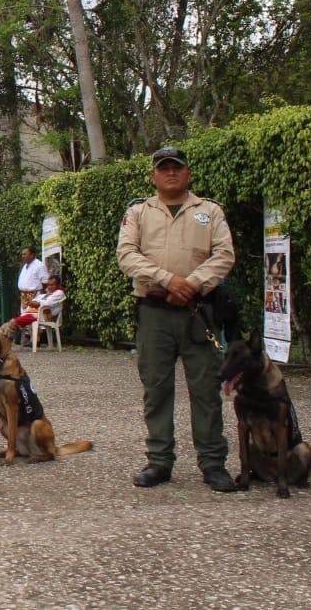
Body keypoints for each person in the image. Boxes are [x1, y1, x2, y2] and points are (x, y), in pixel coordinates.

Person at [117, 146, 237, 493]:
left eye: (177, 168)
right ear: (154, 175)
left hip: (198, 312)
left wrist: (193, 283)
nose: (171, 173)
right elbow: (127, 256)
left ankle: (213, 463)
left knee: (206, 391)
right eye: (164, 168)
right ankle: (159, 461)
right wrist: (169, 280)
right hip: (154, 311)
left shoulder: (209, 211)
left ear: (188, 173)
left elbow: (224, 254)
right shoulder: (139, 213)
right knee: (156, 390)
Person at [12, 274, 65, 346]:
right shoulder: (47, 294)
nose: (49, 287)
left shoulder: (59, 293)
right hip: (39, 315)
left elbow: (46, 303)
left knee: (21, 320)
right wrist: (33, 303)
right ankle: (32, 339)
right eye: (48, 285)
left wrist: (35, 303)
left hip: (48, 317)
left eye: (52, 285)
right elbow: (36, 299)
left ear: (58, 285)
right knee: (25, 315)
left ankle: (12, 325)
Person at [17, 247, 50, 315]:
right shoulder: (25, 266)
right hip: (24, 296)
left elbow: (45, 282)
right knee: (23, 316)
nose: (22, 256)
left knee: (32, 316)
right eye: (22, 254)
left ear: (32, 255)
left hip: (35, 296)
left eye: (24, 254)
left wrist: (41, 296)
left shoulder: (39, 265)